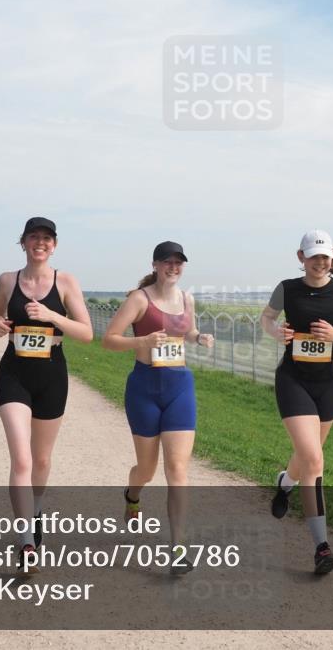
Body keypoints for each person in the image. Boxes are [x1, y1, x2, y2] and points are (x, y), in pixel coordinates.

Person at [259, 230, 333, 575]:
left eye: (324, 257)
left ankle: (285, 484)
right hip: (293, 380)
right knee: (314, 459)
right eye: (313, 257)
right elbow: (266, 319)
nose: (319, 262)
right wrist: (276, 332)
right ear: (301, 257)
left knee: (307, 458)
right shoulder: (287, 288)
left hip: (330, 382)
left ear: (330, 259)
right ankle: (322, 548)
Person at [0, 217, 93, 573]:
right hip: (14, 374)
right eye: (34, 237)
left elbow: (86, 333)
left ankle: (37, 509)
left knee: (42, 461)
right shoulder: (7, 280)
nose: (40, 243)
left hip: (52, 375)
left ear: (55, 245)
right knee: (22, 461)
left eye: (47, 238)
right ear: (23, 242)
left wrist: (50, 314)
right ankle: (26, 542)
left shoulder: (65, 281)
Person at [102, 241, 214, 575]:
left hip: (179, 387)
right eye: (167, 262)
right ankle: (132, 494)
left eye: (179, 262)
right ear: (155, 265)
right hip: (144, 388)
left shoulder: (187, 299)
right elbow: (109, 339)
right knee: (147, 470)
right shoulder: (139, 299)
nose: (174, 267)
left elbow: (187, 330)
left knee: (177, 469)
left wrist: (198, 338)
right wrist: (143, 342)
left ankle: (178, 547)